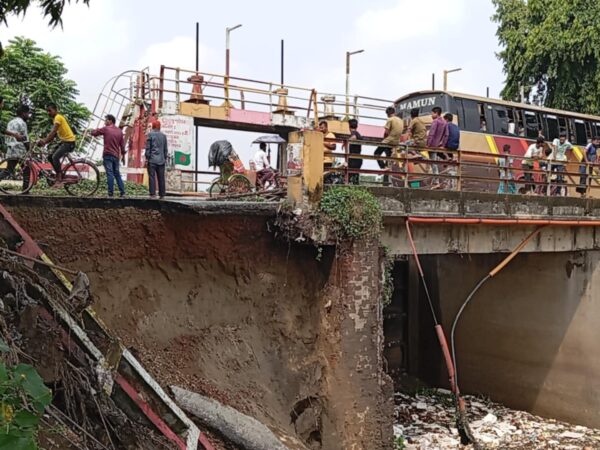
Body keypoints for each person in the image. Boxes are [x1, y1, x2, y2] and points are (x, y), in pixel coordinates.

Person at [37, 103, 77, 184]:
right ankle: (59, 174)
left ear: (55, 110)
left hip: (69, 142)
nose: (48, 113)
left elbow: (53, 132)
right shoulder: (56, 119)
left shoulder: (58, 117)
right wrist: (45, 141)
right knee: (50, 157)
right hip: (65, 141)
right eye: (47, 111)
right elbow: (54, 135)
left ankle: (59, 177)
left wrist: (44, 141)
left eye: (50, 110)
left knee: (55, 157)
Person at [91, 114, 126, 197]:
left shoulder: (106, 129)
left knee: (109, 173)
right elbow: (122, 146)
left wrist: (92, 131)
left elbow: (95, 133)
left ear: (110, 121)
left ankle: (110, 193)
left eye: (106, 120)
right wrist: (123, 156)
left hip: (107, 154)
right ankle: (122, 192)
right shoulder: (119, 131)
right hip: (116, 156)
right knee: (117, 174)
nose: (105, 122)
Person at [3, 105, 32, 189]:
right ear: (24, 113)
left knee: (8, 170)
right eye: (28, 114)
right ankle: (25, 190)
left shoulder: (11, 122)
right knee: (27, 169)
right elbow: (25, 139)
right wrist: (29, 150)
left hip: (10, 150)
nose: (28, 116)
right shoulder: (22, 123)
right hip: (20, 150)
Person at [375, 106, 404, 185]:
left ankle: (383, 168)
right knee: (388, 157)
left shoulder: (390, 119)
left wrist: (383, 140)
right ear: (394, 112)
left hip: (389, 140)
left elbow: (386, 132)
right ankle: (387, 173)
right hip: (396, 142)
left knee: (376, 153)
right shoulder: (401, 120)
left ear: (387, 114)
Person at [145, 121, 168, 199]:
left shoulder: (150, 134)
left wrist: (147, 157)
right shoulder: (164, 136)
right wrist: (164, 158)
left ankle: (153, 194)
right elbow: (165, 149)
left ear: (153, 126)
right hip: (161, 160)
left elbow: (148, 148)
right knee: (161, 177)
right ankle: (162, 194)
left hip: (152, 160)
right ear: (159, 127)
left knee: (152, 177)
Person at [427, 107, 448, 179]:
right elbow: (446, 135)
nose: (431, 115)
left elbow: (431, 133)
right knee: (434, 163)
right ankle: (445, 158)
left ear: (436, 113)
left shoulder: (435, 121)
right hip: (438, 145)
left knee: (433, 163)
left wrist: (428, 144)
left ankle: (436, 181)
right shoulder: (445, 122)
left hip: (432, 144)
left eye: (432, 113)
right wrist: (443, 144)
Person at [443, 113, 460, 189]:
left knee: (440, 148)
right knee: (451, 163)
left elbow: (446, 135)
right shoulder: (456, 126)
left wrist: (442, 143)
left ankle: (447, 158)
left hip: (449, 145)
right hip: (455, 146)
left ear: (446, 119)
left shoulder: (446, 125)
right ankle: (450, 159)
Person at [347, 119, 362, 185]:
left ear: (349, 126)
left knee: (349, 177)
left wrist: (346, 142)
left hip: (353, 159)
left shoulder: (353, 133)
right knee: (355, 177)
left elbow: (353, 137)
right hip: (357, 158)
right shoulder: (358, 134)